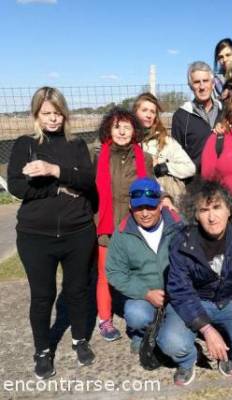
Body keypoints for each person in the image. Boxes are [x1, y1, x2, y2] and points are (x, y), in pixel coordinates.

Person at [7, 87, 96, 379]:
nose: (53, 118)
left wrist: (54, 169)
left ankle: (80, 339)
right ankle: (43, 350)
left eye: (57, 112)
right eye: (46, 113)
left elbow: (87, 180)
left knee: (78, 290)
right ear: (36, 115)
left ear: (64, 113)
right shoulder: (25, 144)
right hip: (36, 236)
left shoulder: (78, 145)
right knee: (43, 295)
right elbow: (18, 187)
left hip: (78, 232)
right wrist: (57, 187)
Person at [161, 179, 232, 386]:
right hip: (195, 299)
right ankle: (187, 360)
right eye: (204, 210)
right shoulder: (182, 242)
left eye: (217, 207)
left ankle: (231, 356)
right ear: (195, 215)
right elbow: (180, 290)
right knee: (170, 343)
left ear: (229, 209)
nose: (212, 217)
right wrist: (207, 330)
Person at [94, 107, 153, 342]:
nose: (121, 131)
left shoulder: (144, 159)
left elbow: (150, 189)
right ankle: (105, 320)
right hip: (106, 226)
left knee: (136, 273)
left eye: (127, 127)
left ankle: (139, 317)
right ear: (109, 128)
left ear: (134, 131)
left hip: (133, 226)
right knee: (104, 275)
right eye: (117, 126)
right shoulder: (98, 156)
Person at [106, 177, 181, 353]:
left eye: (150, 207)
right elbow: (114, 272)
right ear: (131, 207)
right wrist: (145, 293)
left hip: (177, 293)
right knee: (136, 315)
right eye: (139, 208)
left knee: (174, 344)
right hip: (143, 295)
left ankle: (166, 327)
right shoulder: (122, 233)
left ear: (161, 204)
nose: (145, 213)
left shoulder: (179, 225)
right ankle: (140, 333)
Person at [133, 93, 195, 206]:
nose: (149, 115)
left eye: (152, 112)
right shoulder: (126, 140)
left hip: (162, 201)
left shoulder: (166, 142)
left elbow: (190, 168)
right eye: (144, 110)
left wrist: (164, 167)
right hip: (135, 200)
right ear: (135, 112)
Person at [171, 62, 223, 172]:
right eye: (196, 82)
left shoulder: (225, 112)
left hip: (224, 182)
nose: (202, 86)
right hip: (195, 184)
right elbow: (175, 156)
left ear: (213, 84)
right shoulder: (181, 116)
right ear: (190, 87)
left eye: (205, 81)